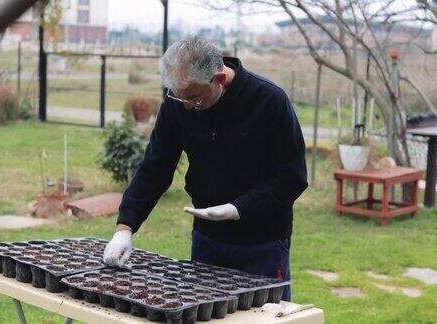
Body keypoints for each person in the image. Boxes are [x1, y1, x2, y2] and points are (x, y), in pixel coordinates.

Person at [102, 36, 307, 301]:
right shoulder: (179, 103)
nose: (186, 106)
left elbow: (292, 177)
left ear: (219, 80)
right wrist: (125, 227)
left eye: (194, 98)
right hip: (207, 240)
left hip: (262, 244)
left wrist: (239, 209)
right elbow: (155, 166)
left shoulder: (269, 101)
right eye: (179, 97)